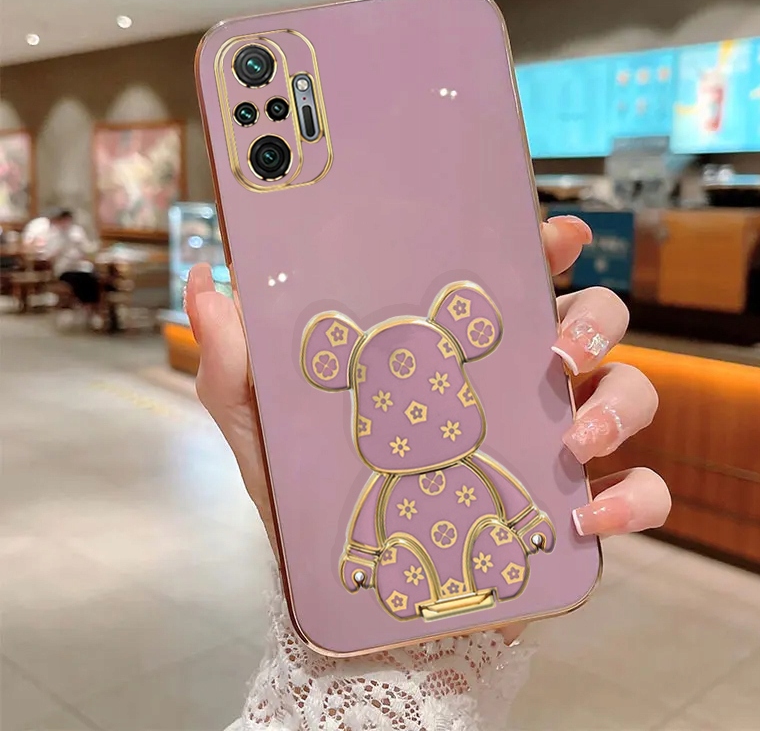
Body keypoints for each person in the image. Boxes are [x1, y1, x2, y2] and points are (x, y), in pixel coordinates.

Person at [185, 215, 671, 731]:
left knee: (482, 536)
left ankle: (487, 555)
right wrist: (360, 563)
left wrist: (525, 527)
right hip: (407, 564)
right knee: (407, 556)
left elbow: (504, 493)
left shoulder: (430, 472)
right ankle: (419, 568)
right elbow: (372, 523)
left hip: (470, 548)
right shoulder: (400, 479)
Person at [43, 209, 102, 315]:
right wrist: (60, 248)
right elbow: (48, 255)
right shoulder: (54, 234)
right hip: (64, 269)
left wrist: (89, 247)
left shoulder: (77, 232)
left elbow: (86, 249)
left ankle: (92, 305)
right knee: (78, 279)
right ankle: (84, 303)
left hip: (79, 266)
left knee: (94, 277)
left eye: (68, 220)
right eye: (63, 220)